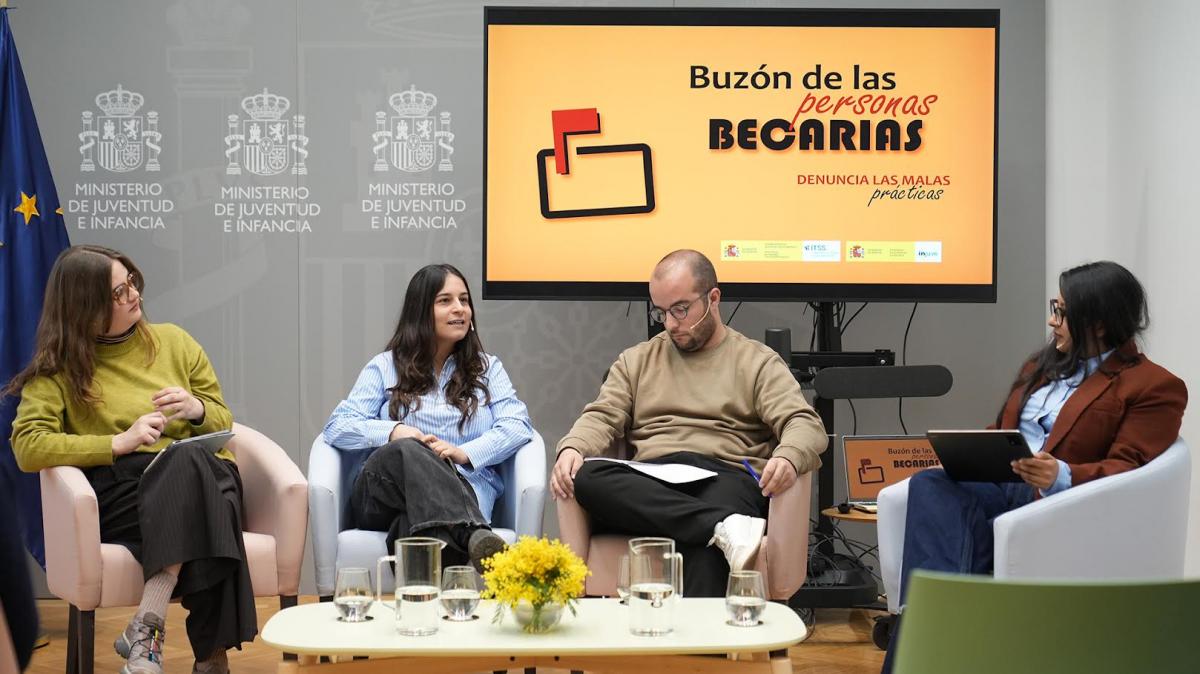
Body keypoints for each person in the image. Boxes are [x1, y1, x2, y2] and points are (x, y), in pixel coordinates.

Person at [880, 260, 1187, 671]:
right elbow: (1005, 429)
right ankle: (933, 621)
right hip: (1000, 486)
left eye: (1061, 312)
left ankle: (931, 634)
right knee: (931, 484)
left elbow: (1131, 465)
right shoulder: (1041, 366)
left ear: (1097, 323)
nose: (1052, 320)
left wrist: (1062, 474)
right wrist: (970, 448)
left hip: (1055, 505)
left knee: (954, 529)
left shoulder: (1153, 386)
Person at [7, 245, 255, 674]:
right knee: (209, 498)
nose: (133, 296)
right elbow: (28, 444)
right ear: (86, 310)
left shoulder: (175, 342)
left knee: (196, 470)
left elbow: (222, 417)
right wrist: (117, 442)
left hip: (202, 477)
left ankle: (147, 627)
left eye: (131, 283)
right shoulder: (60, 370)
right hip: (127, 491)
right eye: (118, 293)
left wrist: (196, 409)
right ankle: (211, 661)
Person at [550, 249, 827, 597]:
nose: (670, 323)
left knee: (703, 541)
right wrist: (573, 446)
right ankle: (722, 527)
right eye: (661, 312)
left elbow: (803, 423)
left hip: (724, 477)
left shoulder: (756, 361)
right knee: (588, 478)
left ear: (713, 298)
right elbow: (601, 415)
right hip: (653, 481)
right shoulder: (637, 360)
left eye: (681, 309)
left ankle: (695, 643)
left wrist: (788, 456)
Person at [323, 263, 533, 572]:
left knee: (416, 524)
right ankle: (473, 533)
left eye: (464, 300)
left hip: (464, 490)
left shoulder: (488, 369)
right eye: (445, 300)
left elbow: (518, 426)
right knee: (409, 449)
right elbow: (337, 427)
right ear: (421, 311)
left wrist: (465, 453)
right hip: (383, 490)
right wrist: (395, 432)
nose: (460, 309)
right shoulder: (385, 367)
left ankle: (421, 612)